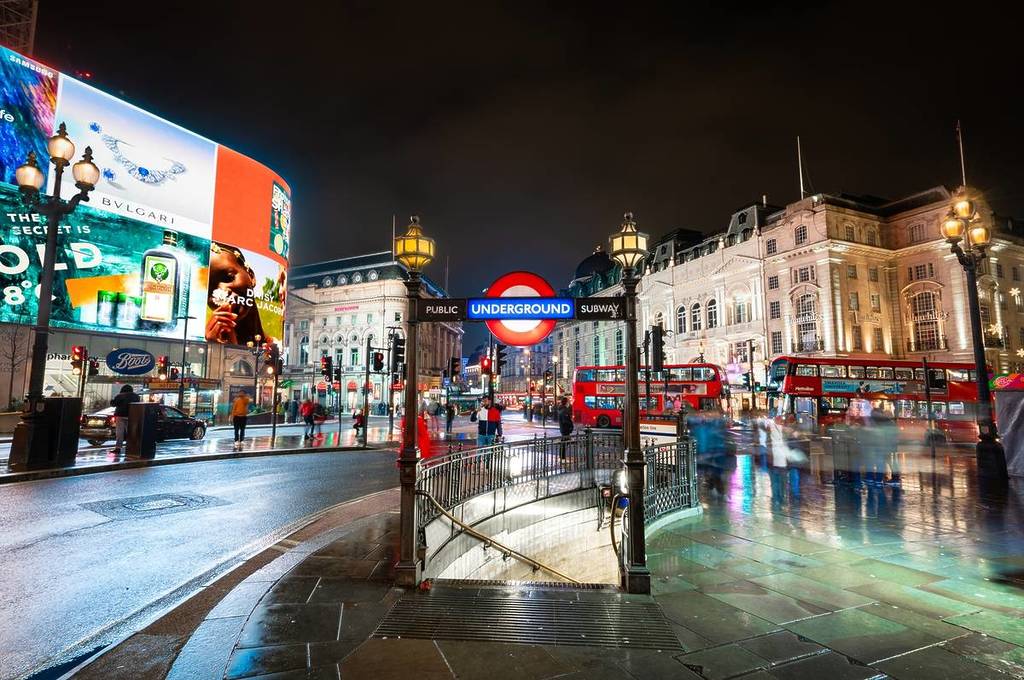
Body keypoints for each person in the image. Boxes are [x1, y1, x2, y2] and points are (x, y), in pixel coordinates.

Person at [205, 242, 268, 346]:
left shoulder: (277, 346)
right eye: (209, 289)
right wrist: (218, 350)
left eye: (229, 277)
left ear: (251, 276)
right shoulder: (203, 343)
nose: (222, 292)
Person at [110, 384, 140, 455]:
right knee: (131, 432)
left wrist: (111, 401)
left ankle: (118, 448)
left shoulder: (120, 396)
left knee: (119, 432)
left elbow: (113, 404)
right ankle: (131, 447)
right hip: (131, 416)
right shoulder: (136, 396)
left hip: (120, 415)